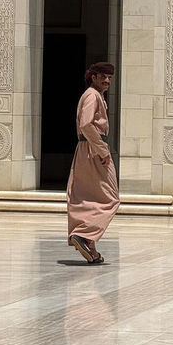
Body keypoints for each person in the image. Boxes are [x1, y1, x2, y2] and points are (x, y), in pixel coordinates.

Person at [67, 61, 120, 264]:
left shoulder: (95, 95)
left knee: (87, 195)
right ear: (93, 77)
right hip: (93, 149)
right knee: (110, 197)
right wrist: (102, 150)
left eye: (109, 77)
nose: (107, 80)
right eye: (103, 76)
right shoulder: (92, 95)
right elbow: (86, 124)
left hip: (87, 149)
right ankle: (83, 234)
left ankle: (89, 244)